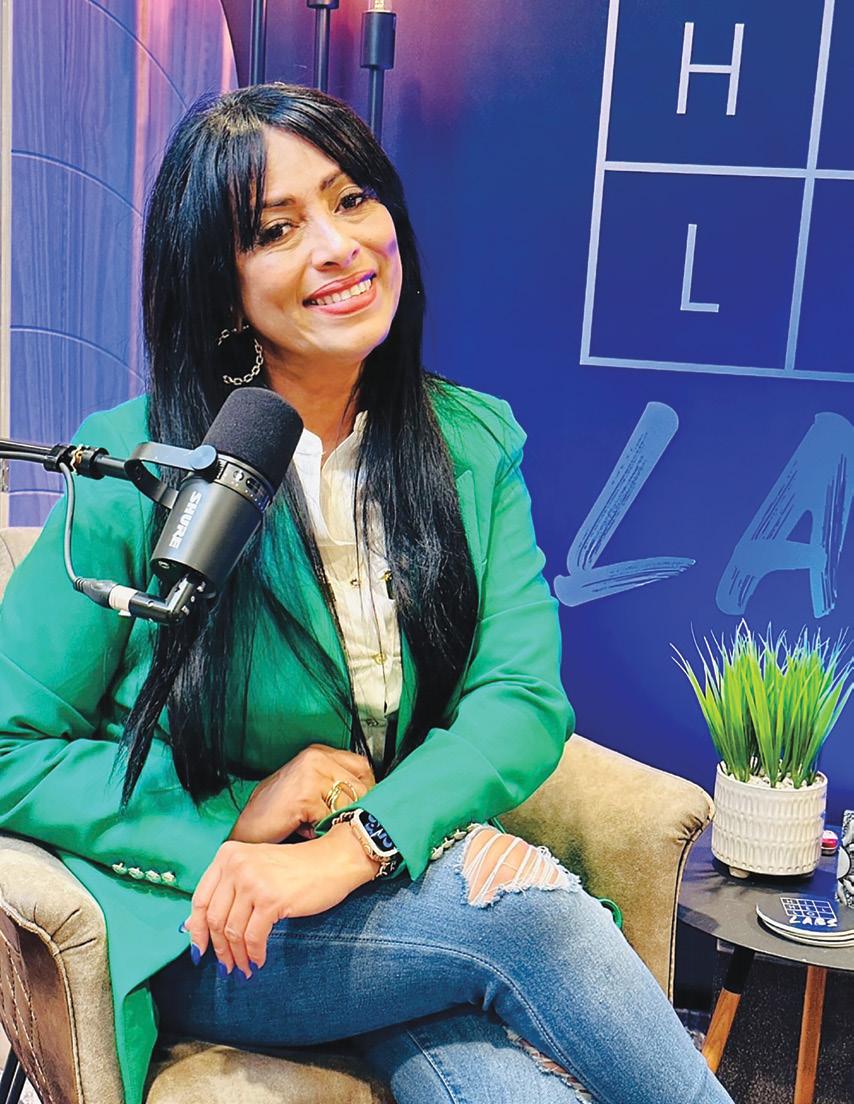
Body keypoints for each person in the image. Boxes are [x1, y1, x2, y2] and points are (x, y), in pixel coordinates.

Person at [0, 84, 734, 1104]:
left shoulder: (471, 441)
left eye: (351, 199)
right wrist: (236, 817)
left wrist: (363, 841)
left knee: (506, 1090)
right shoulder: (139, 464)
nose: (339, 246)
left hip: (387, 891)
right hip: (214, 922)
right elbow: (10, 746)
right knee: (532, 918)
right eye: (276, 229)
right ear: (220, 285)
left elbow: (519, 699)